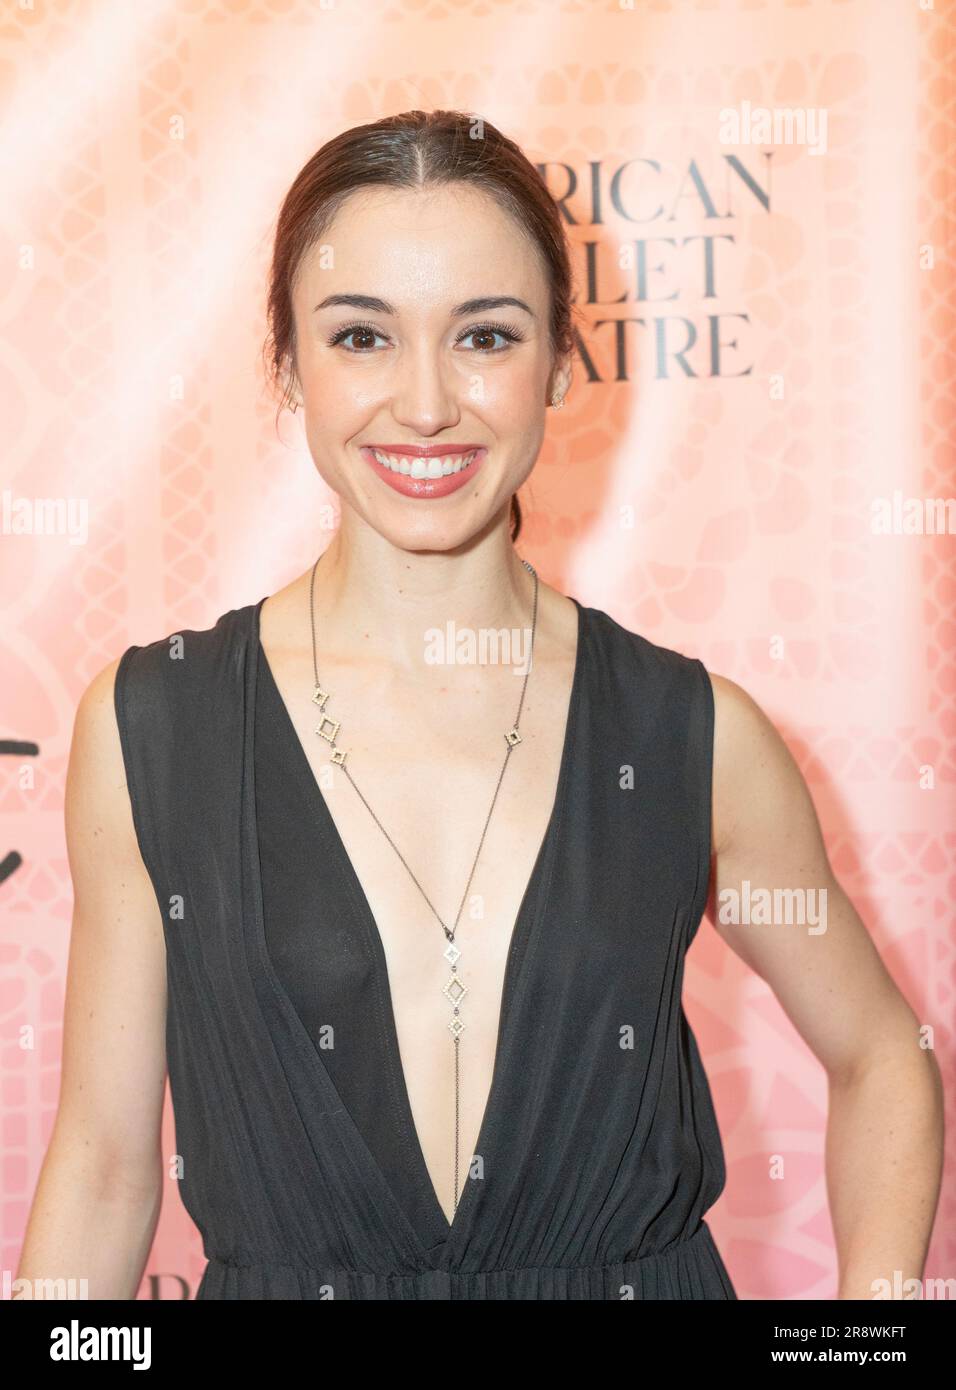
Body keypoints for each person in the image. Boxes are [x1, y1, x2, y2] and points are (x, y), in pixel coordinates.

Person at [16, 110, 942, 1302]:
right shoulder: (153, 728)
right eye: (360, 337)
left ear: (560, 359)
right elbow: (99, 1167)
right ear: (287, 362)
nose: (424, 404)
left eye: (484, 337)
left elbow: (881, 1055)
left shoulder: (689, 735)